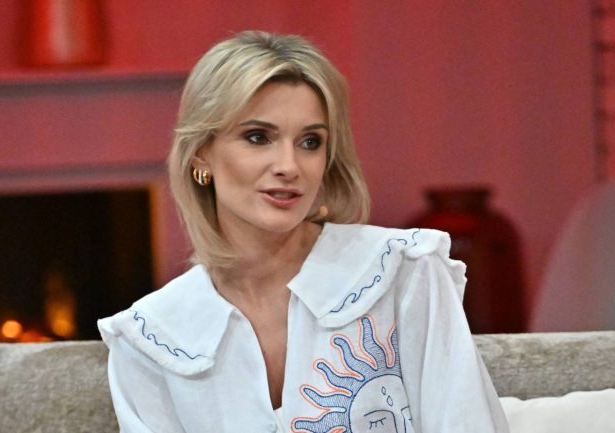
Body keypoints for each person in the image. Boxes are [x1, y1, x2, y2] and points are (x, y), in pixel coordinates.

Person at [98, 30, 509, 433]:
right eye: (258, 137)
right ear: (201, 153)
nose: (289, 166)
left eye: (310, 142)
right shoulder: (150, 340)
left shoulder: (405, 272)